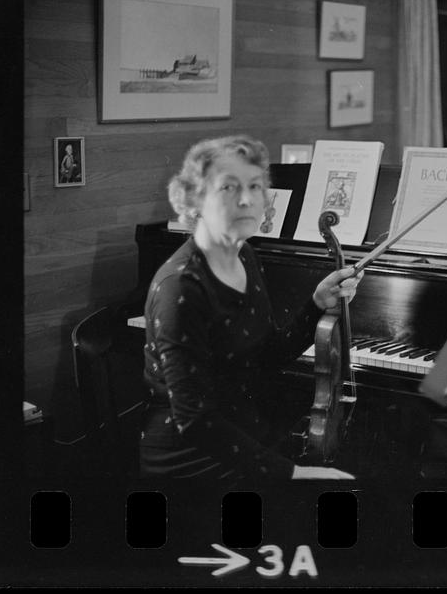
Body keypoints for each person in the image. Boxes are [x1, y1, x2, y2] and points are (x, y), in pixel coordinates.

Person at [139, 135, 361, 482]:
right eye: (228, 188)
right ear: (195, 200)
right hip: (193, 462)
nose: (246, 200)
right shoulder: (181, 288)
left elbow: (267, 356)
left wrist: (316, 304)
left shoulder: (245, 255)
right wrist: (291, 472)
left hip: (245, 438)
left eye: (255, 187)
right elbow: (195, 421)